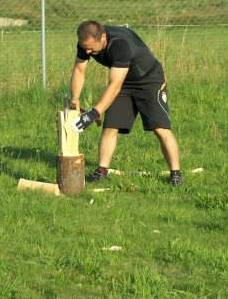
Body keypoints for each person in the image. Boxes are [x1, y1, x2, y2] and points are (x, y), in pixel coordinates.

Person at [70, 20, 182, 186]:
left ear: (103, 38)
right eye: (85, 48)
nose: (87, 51)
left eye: (91, 48)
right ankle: (101, 172)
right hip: (124, 81)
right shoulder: (86, 41)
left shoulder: (119, 45)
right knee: (111, 126)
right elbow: (79, 70)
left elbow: (115, 85)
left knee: (160, 128)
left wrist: (94, 113)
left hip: (149, 80)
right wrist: (75, 98)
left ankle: (176, 175)